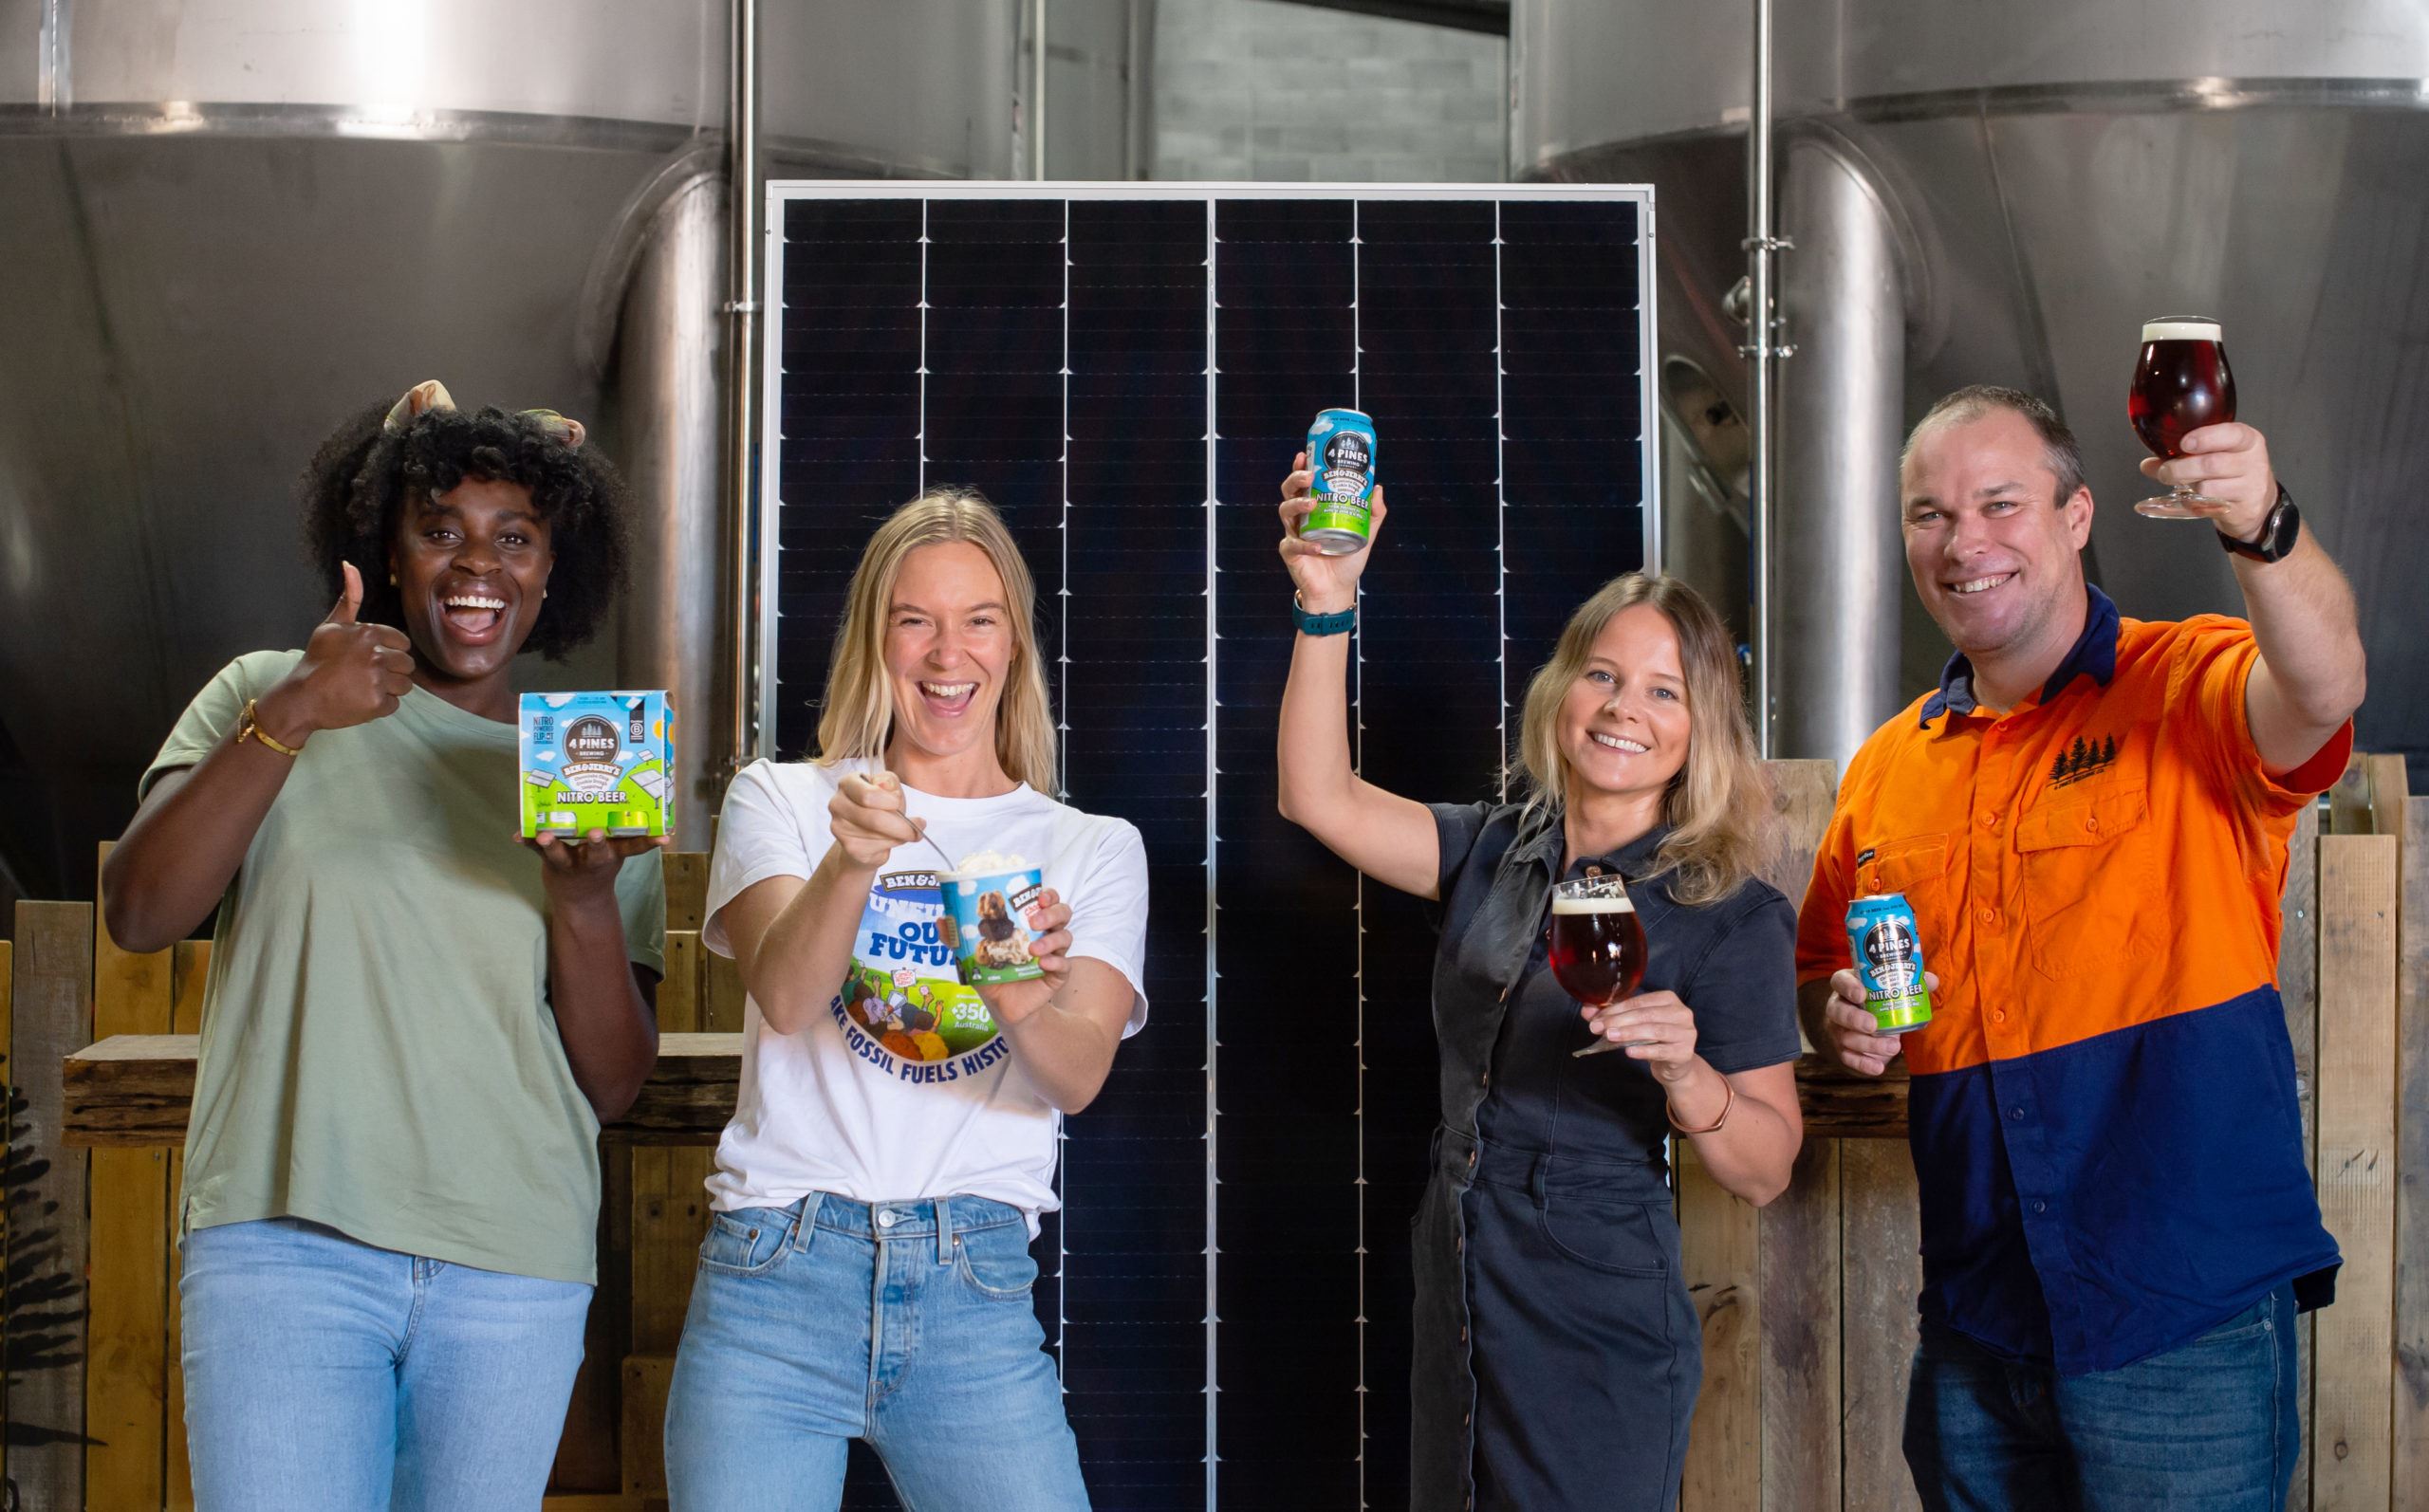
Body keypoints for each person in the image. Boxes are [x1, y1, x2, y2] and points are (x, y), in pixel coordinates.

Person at [102, 380, 668, 1511]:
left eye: (516, 537)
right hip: (283, 1248)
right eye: (441, 529)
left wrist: (589, 903)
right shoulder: (268, 692)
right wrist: (297, 715)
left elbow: (610, 1084)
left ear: (553, 570)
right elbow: (140, 913)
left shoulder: (592, 763)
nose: (477, 565)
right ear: (389, 551)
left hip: (513, 1263)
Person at [1797, 387, 2364, 1511]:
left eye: (1999, 502)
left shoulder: (2188, 685)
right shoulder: (1882, 771)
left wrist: (2263, 527)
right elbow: (1823, 970)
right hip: (1973, 1325)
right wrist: (1838, 1011)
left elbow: (2325, 686)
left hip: (2180, 1319)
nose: (1963, 542)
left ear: (2075, 515)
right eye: (1929, 513)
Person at [1270, 458, 1806, 1512]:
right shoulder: (1489, 849)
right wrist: (1325, 604)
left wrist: (1688, 1071)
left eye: (1665, 692)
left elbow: (1765, 1167)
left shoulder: (1730, 914)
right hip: (1462, 1262)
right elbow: (1315, 796)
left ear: (1702, 729)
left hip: (1596, 1297)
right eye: (1603, 674)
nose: (1624, 709)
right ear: (1562, 690)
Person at [664, 489, 1150, 1511]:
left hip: (970, 1284)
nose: (946, 653)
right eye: (914, 620)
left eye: (978, 619)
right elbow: (789, 998)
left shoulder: (1092, 845)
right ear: (874, 640)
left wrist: (1012, 982)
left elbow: (1077, 1074)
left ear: (1012, 642)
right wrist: (852, 863)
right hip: (774, 1270)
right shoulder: (785, 798)